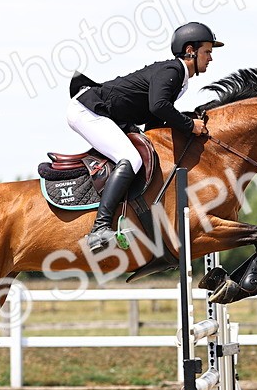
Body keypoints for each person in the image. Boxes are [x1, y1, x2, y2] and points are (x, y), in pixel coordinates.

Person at [67, 21, 222, 252]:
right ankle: (99, 229)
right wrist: (189, 125)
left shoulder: (180, 79)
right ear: (190, 51)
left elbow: (154, 120)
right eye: (207, 51)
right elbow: (158, 106)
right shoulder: (173, 71)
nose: (210, 58)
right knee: (131, 158)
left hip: (103, 113)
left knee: (141, 154)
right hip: (88, 110)